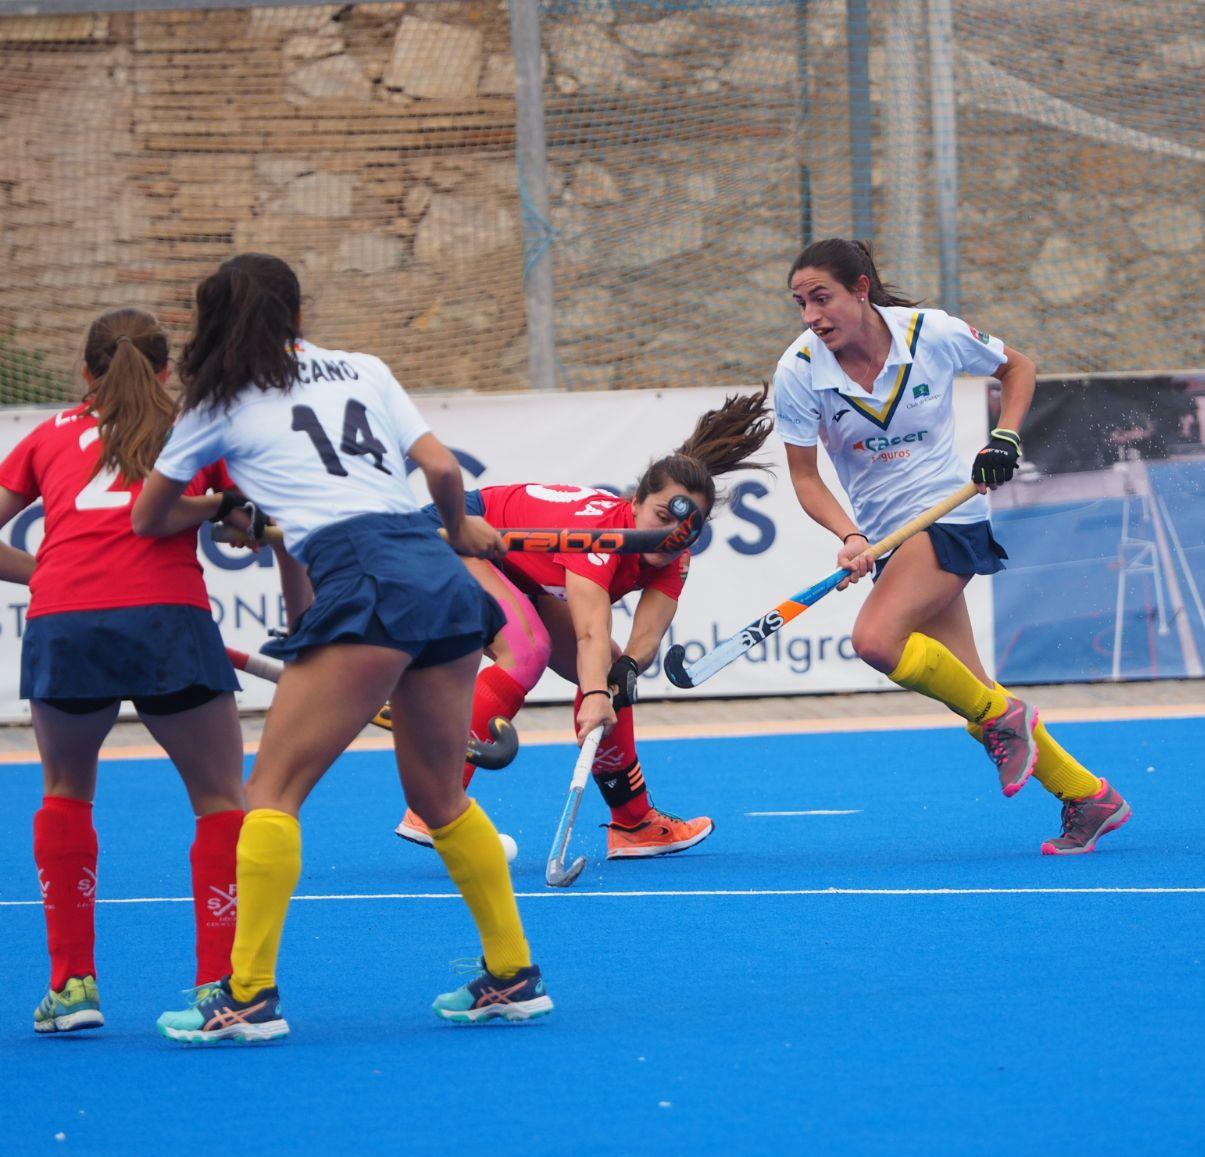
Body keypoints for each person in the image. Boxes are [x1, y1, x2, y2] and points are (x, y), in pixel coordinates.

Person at [135, 253, 543, 1043]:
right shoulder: (362, 365)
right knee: (437, 795)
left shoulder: (216, 398)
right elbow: (439, 467)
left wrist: (227, 502)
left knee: (273, 793)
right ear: (295, 309)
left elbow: (151, 517)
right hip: (437, 576)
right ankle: (513, 973)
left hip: (363, 580)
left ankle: (247, 996)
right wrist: (460, 529)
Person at [772, 239, 1128, 855]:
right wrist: (851, 535)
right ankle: (1088, 796)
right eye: (801, 303)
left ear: (861, 288)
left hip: (948, 515)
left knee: (875, 642)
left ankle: (1004, 722)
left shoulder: (928, 332)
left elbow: (1019, 366)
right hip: (887, 538)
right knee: (977, 692)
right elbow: (806, 478)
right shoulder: (799, 371)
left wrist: (1005, 439)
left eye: (821, 297)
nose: (811, 315)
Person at [0, 308, 248, 1034]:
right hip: (169, 619)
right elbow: (243, 520)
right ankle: (220, 989)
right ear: (168, 370)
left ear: (86, 372)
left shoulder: (46, 436)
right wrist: (227, 512)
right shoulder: (195, 430)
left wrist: (46, 571)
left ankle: (73, 986)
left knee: (67, 793)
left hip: (64, 622)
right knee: (218, 799)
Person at [392, 390, 772, 860]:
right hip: (451, 535)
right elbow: (589, 630)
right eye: (659, 518)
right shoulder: (599, 535)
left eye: (687, 531)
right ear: (635, 502)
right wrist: (593, 695)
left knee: (610, 669)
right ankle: (436, 804)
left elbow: (646, 634)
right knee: (527, 652)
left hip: (513, 569)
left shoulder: (674, 554)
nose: (671, 537)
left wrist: (624, 671)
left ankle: (633, 823)